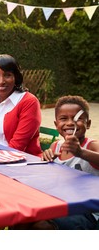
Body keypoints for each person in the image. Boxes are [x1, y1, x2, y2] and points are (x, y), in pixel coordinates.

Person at [24, 95, 99, 229]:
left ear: (88, 124)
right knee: (24, 218)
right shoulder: (55, 146)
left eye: (78, 118)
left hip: (88, 213)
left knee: (41, 225)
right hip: (61, 204)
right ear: (56, 124)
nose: (70, 123)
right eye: (63, 118)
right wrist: (46, 159)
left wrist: (80, 152)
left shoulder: (91, 146)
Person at [0, 54, 42, 156]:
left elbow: (17, 146)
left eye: (7, 75)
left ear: (16, 77)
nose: (1, 81)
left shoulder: (29, 102)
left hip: (21, 164)